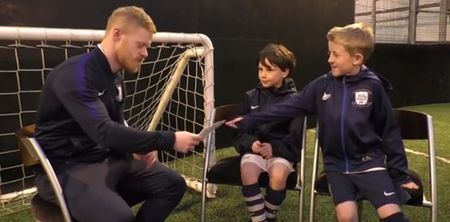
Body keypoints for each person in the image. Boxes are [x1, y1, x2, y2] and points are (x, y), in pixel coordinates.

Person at [227, 23, 419, 222]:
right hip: (336, 167)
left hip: (369, 163)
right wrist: (249, 119)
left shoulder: (373, 87)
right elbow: (285, 108)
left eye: (335, 55)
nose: (330, 59)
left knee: (391, 214)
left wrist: (400, 174)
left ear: (357, 59)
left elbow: (390, 132)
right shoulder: (321, 86)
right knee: (346, 217)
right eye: (329, 53)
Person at [34, 6, 201, 222]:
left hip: (104, 159)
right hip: (68, 169)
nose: (145, 54)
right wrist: (171, 139)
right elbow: (104, 132)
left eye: (147, 47)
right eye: (140, 45)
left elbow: (117, 124)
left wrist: (138, 147)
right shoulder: (76, 75)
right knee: (121, 217)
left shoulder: (115, 77)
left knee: (171, 184)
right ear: (117, 35)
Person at [234, 44, 304, 222]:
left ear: (285, 72)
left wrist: (274, 148)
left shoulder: (295, 101)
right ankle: (259, 219)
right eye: (260, 69)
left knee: (278, 176)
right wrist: (251, 143)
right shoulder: (250, 97)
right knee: (248, 171)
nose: (263, 74)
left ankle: (269, 216)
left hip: (281, 153)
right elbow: (239, 133)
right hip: (254, 153)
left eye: (269, 69)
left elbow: (296, 139)